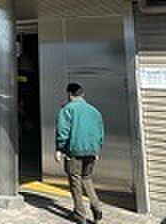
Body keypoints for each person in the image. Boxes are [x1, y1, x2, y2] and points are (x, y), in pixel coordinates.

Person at [55, 83, 104, 224]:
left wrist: (59, 149)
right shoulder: (94, 111)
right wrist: (97, 150)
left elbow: (63, 132)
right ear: (82, 94)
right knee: (87, 178)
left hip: (74, 152)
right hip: (92, 151)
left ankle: (80, 214)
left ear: (70, 94)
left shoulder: (67, 109)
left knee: (75, 183)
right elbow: (100, 132)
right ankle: (97, 208)